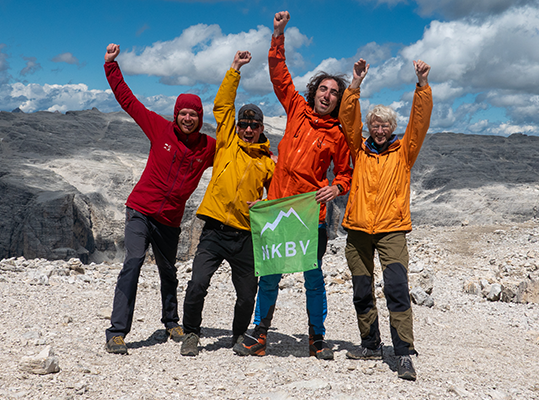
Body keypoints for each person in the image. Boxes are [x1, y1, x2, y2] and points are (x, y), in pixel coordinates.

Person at [233, 10, 353, 360]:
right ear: (314, 91)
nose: (327, 95)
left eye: (334, 92)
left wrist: (337, 188)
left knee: (313, 277)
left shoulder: (338, 135)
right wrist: (278, 34)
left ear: (338, 99)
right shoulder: (297, 109)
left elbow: (346, 173)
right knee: (269, 275)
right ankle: (259, 336)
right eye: (323, 89)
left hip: (309, 215)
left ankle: (317, 338)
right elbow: (279, 75)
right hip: (278, 208)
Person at [103, 43, 216, 355]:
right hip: (140, 210)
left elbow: (236, 159)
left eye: (193, 114)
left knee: (169, 271)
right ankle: (116, 332)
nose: (187, 118)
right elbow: (129, 101)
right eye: (183, 113)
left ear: (200, 117)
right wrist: (111, 66)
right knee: (134, 262)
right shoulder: (159, 128)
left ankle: (171, 321)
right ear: (176, 114)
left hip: (169, 221)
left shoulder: (208, 148)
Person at [338, 58, 432, 381]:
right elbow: (346, 118)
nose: (379, 130)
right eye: (374, 125)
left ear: (392, 128)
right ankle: (370, 343)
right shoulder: (359, 150)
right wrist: (355, 84)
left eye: (385, 125)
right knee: (362, 289)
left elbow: (419, 122)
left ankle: (404, 352)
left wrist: (421, 86)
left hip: (392, 231)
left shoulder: (403, 151)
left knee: (396, 288)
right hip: (358, 231)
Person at [179, 50, 276, 357]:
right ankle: (191, 333)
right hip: (215, 230)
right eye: (244, 124)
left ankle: (238, 336)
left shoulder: (268, 163)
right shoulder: (227, 141)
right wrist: (235, 69)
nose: (248, 129)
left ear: (261, 129)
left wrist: (262, 208)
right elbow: (223, 105)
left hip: (246, 235)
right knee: (197, 284)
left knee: (248, 294)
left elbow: (276, 199)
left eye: (254, 125)